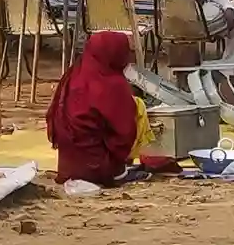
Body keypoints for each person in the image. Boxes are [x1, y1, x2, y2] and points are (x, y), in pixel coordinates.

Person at [46, 31, 153, 184]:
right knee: (138, 106)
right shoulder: (113, 84)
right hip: (99, 168)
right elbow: (123, 134)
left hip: (67, 167)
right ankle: (119, 171)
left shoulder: (73, 74)